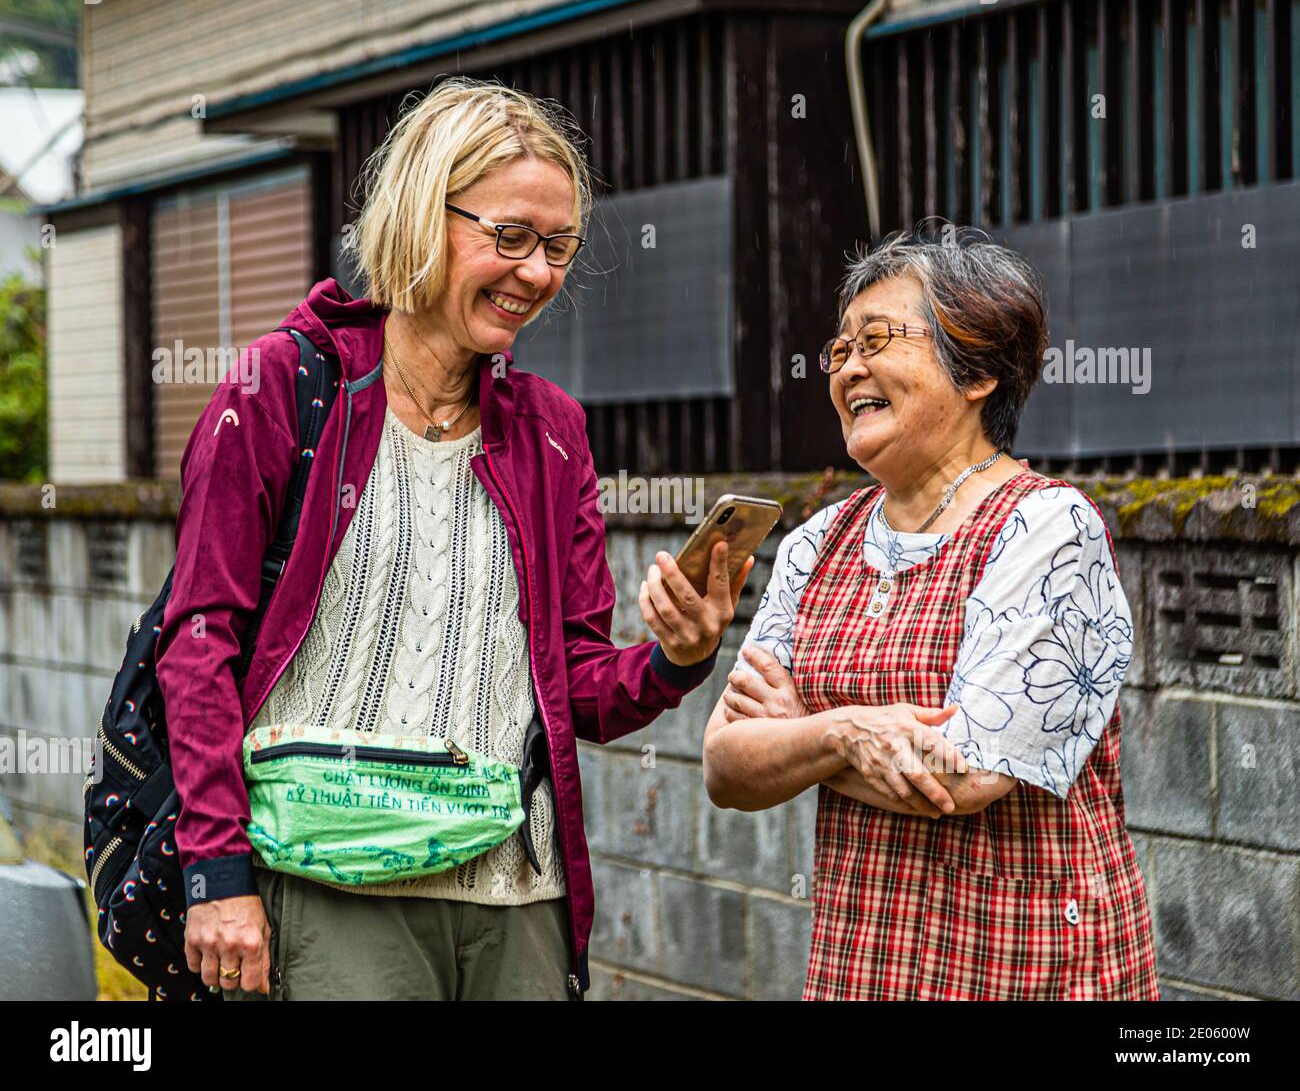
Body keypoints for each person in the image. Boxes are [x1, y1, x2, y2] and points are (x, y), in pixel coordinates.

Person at [157, 76, 749, 1001]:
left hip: (520, 900)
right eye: (509, 237)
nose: (538, 273)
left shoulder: (552, 432)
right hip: (328, 888)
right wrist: (217, 875)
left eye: (557, 247)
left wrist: (676, 659)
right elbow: (197, 645)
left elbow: (578, 688)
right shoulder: (279, 391)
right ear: (421, 214)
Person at [702, 225, 1159, 1001]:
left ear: (977, 366)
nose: (851, 368)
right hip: (865, 965)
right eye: (839, 351)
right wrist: (847, 733)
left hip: (1025, 964)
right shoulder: (819, 541)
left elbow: (972, 771)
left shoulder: (1048, 529)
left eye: (877, 339)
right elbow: (725, 767)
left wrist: (803, 735)